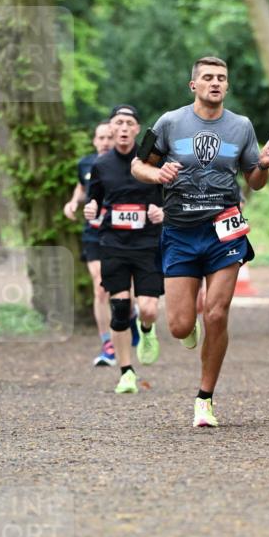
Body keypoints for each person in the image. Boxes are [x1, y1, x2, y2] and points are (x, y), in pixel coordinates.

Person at [131, 56, 269, 428]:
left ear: (227, 86)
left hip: (223, 230)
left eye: (222, 78)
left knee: (216, 313)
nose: (216, 83)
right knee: (179, 326)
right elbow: (138, 165)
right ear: (193, 85)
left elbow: (254, 181)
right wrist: (157, 173)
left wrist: (263, 165)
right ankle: (189, 327)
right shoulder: (170, 122)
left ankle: (204, 399)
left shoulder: (241, 126)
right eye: (208, 77)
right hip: (180, 232)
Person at [84, 105, 164, 394]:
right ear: (112, 128)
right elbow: (94, 199)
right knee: (119, 309)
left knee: (149, 309)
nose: (124, 128)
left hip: (147, 244)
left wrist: (162, 212)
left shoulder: (152, 161)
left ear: (137, 129)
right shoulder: (101, 165)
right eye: (119, 122)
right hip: (114, 244)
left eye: (129, 123)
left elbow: (168, 197)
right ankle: (126, 372)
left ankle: (146, 329)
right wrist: (91, 208)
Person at [63, 121, 122, 366]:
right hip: (94, 233)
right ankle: (107, 343)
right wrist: (73, 202)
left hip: (121, 233)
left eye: (109, 137)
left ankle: (130, 316)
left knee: (124, 290)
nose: (106, 142)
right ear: (95, 141)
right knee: (100, 287)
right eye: (101, 138)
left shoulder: (127, 163)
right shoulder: (85, 164)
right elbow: (81, 187)